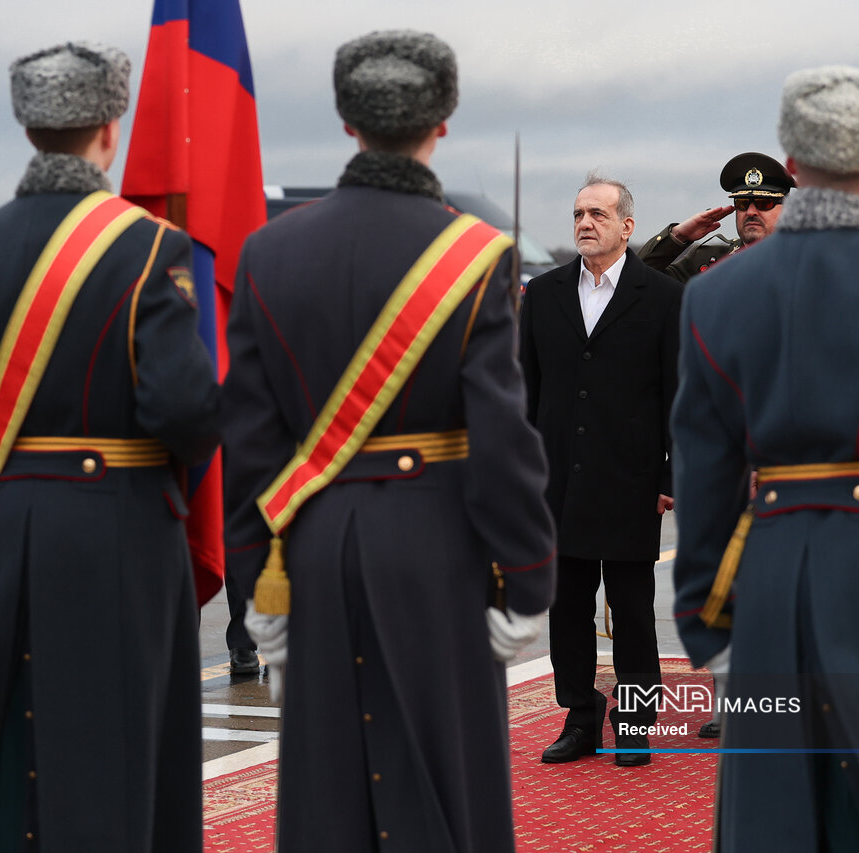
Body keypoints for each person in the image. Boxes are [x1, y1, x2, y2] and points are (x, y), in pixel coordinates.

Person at [222, 30, 555, 852]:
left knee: (327, 784)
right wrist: (528, 575)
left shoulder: (267, 251)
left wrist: (256, 584)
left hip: (313, 542)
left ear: (347, 123)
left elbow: (251, 440)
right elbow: (501, 433)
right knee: (446, 774)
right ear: (442, 122)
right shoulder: (476, 254)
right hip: (437, 543)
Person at [0, 42, 218, 852]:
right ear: (110, 130)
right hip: (123, 525)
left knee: (15, 748)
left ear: (29, 129)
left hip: (8, 527)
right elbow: (185, 412)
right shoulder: (151, 248)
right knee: (120, 753)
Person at [672, 65, 859, 851]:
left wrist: (704, 614)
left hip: (770, 583)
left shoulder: (713, 293)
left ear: (791, 163)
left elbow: (703, 470)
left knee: (775, 806)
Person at [520, 173, 682, 767]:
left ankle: (635, 722)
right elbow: (525, 389)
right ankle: (580, 718)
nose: (585, 223)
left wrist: (671, 477)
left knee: (633, 609)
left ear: (627, 226)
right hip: (558, 481)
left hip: (631, 481)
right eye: (578, 214)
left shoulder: (662, 296)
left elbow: (679, 393)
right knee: (567, 608)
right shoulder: (543, 294)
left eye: (598, 214)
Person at [639, 152, 795, 282]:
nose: (750, 212)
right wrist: (679, 236)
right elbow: (637, 279)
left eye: (764, 203)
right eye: (742, 203)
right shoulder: (708, 261)